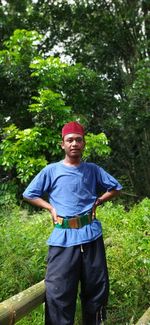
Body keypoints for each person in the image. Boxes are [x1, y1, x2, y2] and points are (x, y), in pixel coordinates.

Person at [23, 121, 122, 325]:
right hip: (63, 239)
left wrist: (99, 200)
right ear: (63, 144)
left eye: (78, 140)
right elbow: (29, 194)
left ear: (83, 143)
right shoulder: (51, 171)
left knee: (96, 290)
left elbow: (115, 188)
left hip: (91, 236)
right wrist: (50, 208)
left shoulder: (93, 170)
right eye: (70, 140)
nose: (74, 143)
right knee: (59, 294)